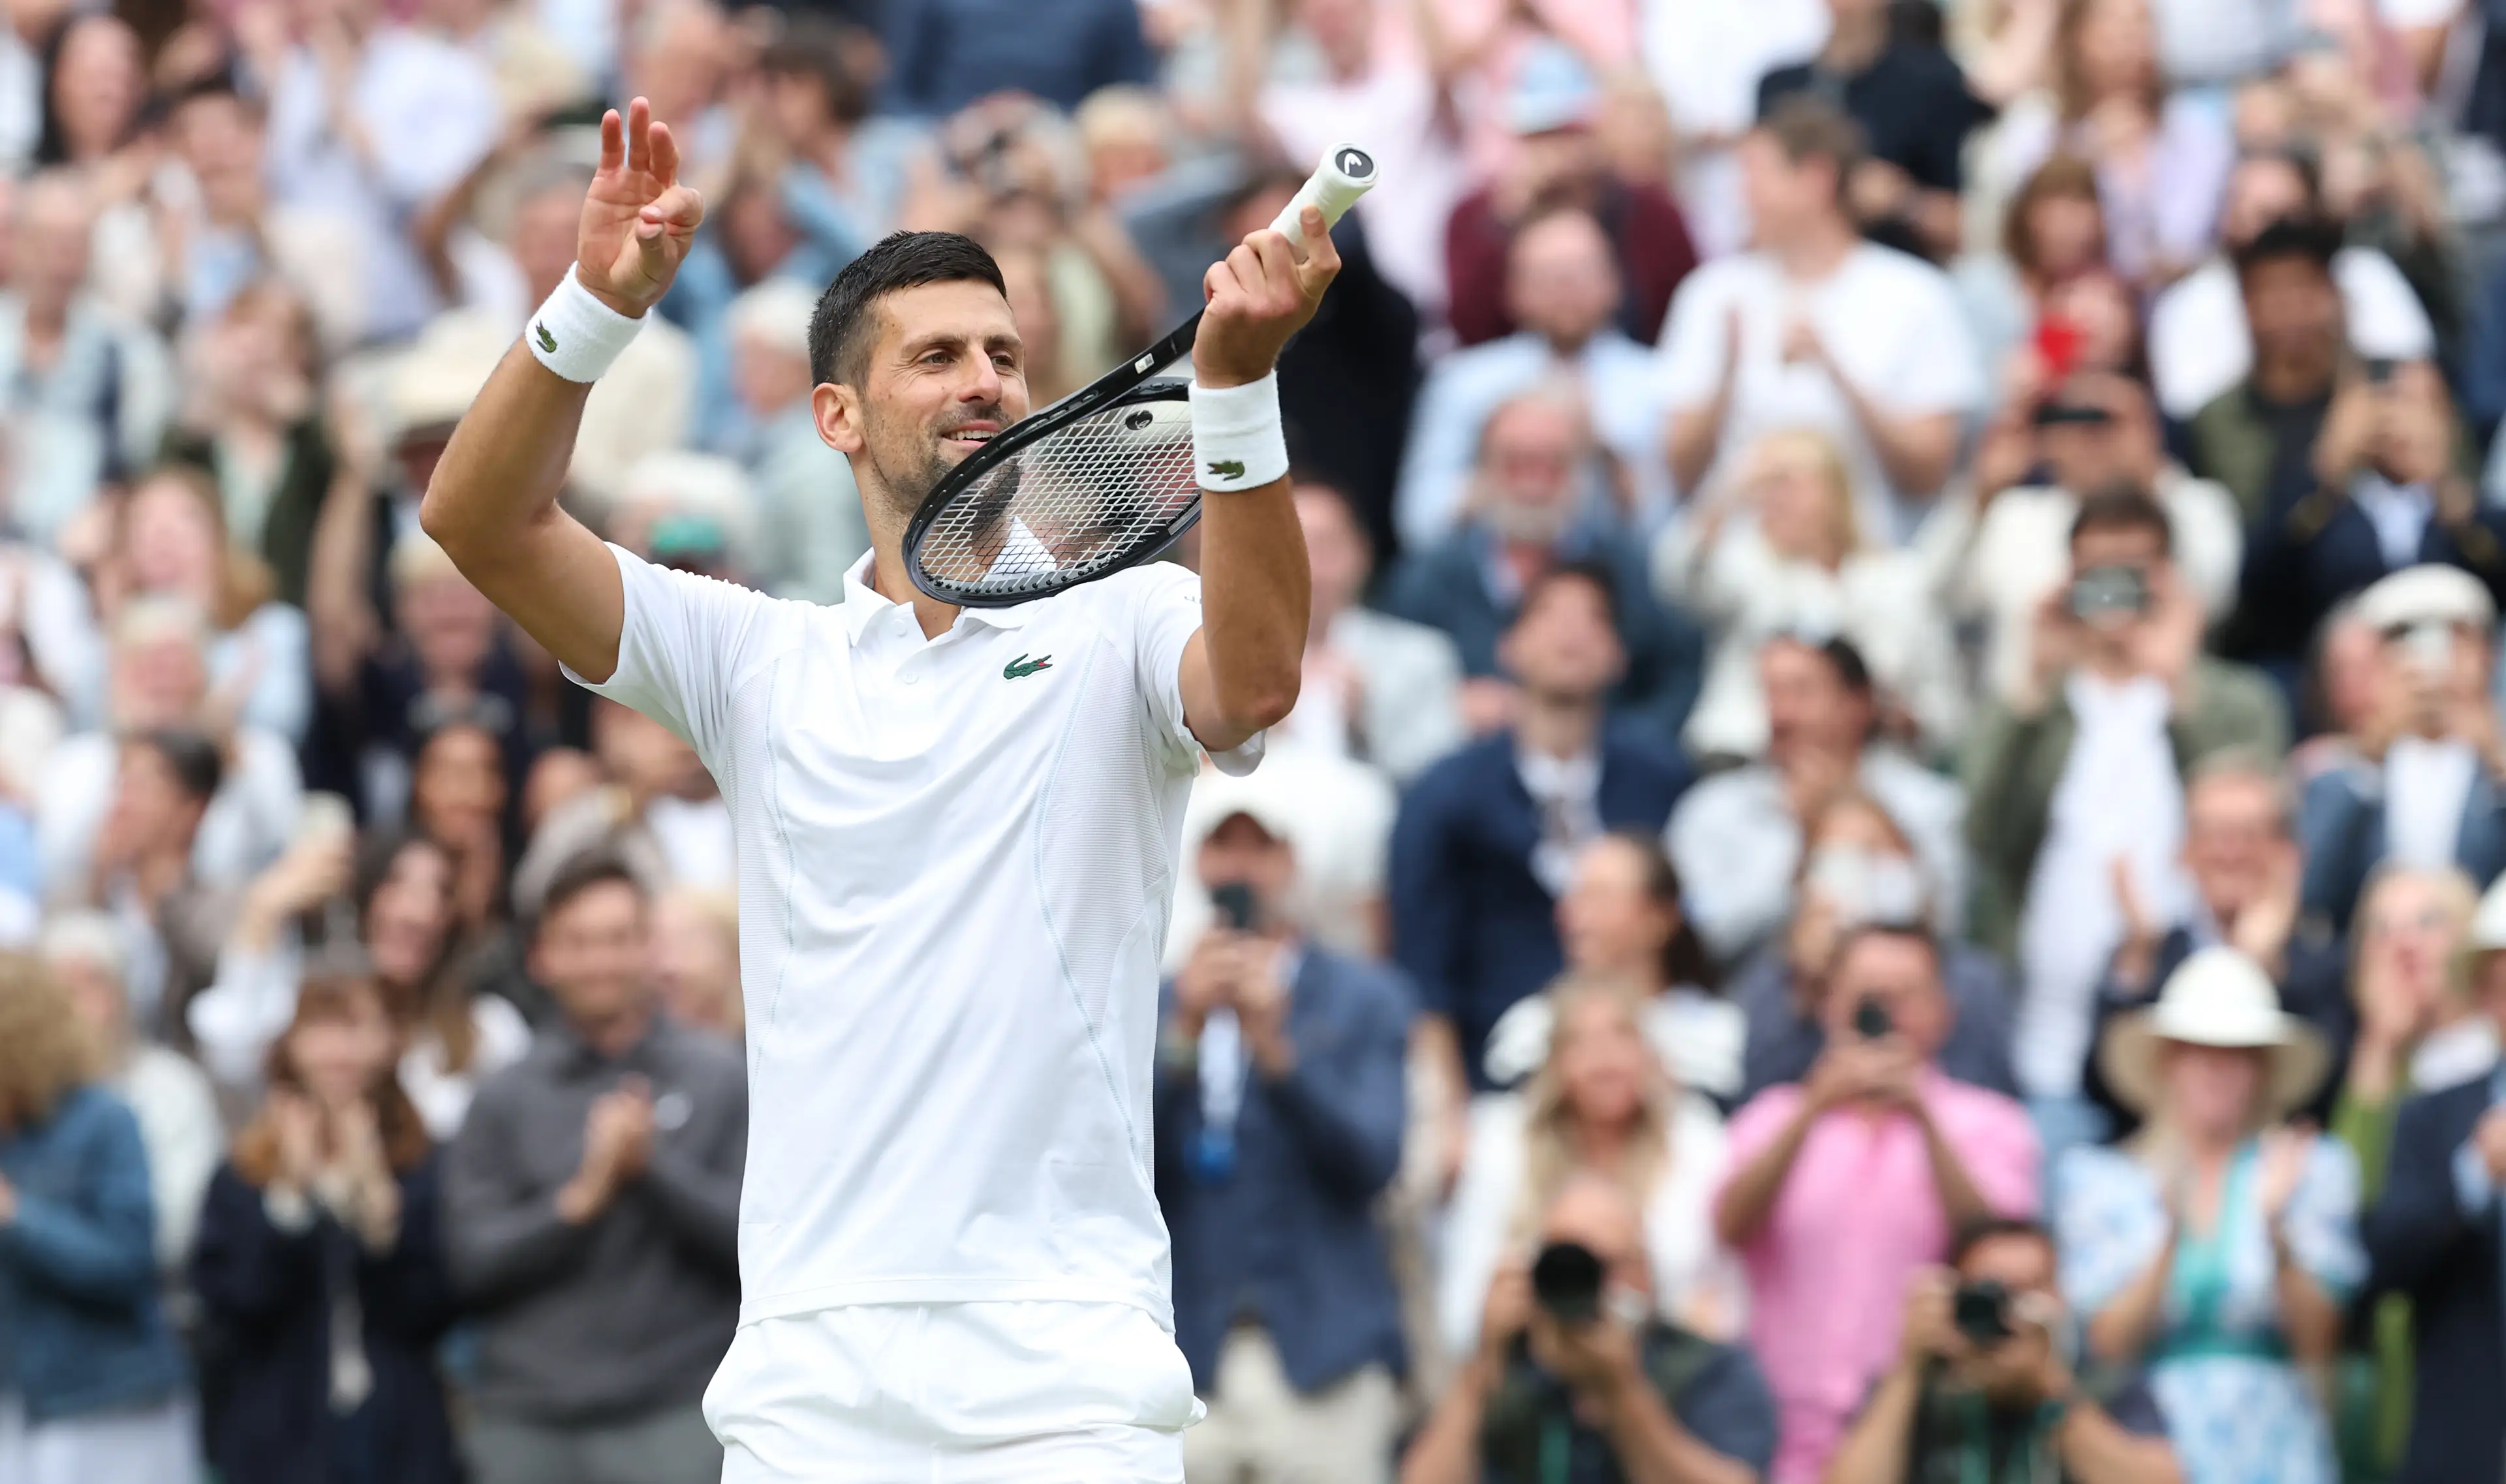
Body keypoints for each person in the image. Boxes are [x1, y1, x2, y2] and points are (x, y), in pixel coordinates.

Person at [419, 91, 1334, 1472]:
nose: (986, 380)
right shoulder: (756, 661)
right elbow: (477, 521)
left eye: (1005, 354)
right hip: (809, 1393)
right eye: (938, 355)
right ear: (835, 416)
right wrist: (593, 309)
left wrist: (1240, 391)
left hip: (1069, 1380)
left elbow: (1255, 682)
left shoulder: (1126, 619)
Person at [1961, 486, 2285, 1156]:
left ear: (2170, 579)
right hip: (2045, 1051)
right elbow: (1981, 836)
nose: (2112, 592)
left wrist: (2179, 683)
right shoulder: (2035, 704)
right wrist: (2032, 681)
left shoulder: (2232, 701)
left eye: (2132, 572)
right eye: (2094, 571)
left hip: (2197, 1048)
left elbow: (2256, 829)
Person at [442, 858, 745, 1484]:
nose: (600, 962)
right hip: (527, 1420)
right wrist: (576, 1203)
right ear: (541, 956)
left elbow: (756, 1243)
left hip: (678, 1410)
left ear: (650, 946)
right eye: (578, 942)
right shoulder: (501, 1096)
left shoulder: (721, 1077)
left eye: (617, 939)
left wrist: (652, 1168)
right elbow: (467, 1263)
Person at [1390, 564, 1692, 1174]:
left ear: (1620, 654)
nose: (1571, 634)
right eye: (1550, 615)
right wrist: (1449, 1112)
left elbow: (1689, 932)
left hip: (1646, 1080)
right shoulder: (1446, 794)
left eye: (1593, 619)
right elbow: (1423, 971)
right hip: (1494, 1086)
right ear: (1509, 645)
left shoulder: (1662, 780)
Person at [1716, 924, 2041, 1483]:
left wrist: (1922, 1117)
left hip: (1923, 1432)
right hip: (1774, 1431)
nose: (1886, 1013)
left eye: (1905, 994)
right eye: (1868, 994)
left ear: (1944, 1011)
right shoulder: (1771, 1116)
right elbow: (1728, 1226)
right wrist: (1813, 1108)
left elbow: (1997, 1251)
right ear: (1829, 1004)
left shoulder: (1992, 1125)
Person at [1154, 778, 1410, 1484]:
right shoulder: (1161, 998)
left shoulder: (1362, 997)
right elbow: (1112, 1163)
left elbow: (1374, 1159)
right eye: (1222, 848)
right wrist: (1183, 1037)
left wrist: (1278, 1054)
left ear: (1293, 862)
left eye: (1260, 849)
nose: (1240, 869)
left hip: (1323, 1357)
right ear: (1198, 864)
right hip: (1186, 1355)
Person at [2058, 948, 2360, 1484]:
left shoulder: (2311, 1168)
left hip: (2278, 1446)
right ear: (2167, 1063)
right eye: (2199, 1052)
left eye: (2238, 1054)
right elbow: (2106, 1344)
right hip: (2150, 1442)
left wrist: (2276, 1233)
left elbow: (2321, 1341)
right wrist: (2171, 1237)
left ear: (2264, 1070)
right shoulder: (2103, 1179)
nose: (2218, 1070)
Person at [1656, 96, 1982, 541]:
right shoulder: (1710, 293)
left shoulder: (1916, 296)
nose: (1742, 194)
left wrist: (1835, 370)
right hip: (1732, 561)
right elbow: (1678, 471)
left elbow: (1927, 474)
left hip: (1870, 561)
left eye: (1755, 174)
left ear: (1815, 180)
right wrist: (1727, 372)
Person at [191, 975, 459, 1484]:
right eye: (320, 1028)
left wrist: (381, 1219)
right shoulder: (244, 1173)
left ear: (390, 1040)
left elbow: (433, 1308)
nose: (339, 1051)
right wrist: (291, 1203)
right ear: (290, 1044)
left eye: (355, 1028)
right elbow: (235, 1307)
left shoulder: (423, 1162)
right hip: (279, 1434)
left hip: (398, 1434)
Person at [1444, 976, 1747, 1367]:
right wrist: (1499, 1317)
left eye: (1621, 1035)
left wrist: (1682, 1329)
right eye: (1581, 1042)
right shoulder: (1504, 1145)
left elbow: (1729, 1295)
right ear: (1554, 1061)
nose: (1605, 1058)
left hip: (1666, 1368)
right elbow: (1461, 1310)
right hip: (1535, 1368)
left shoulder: (1697, 1142)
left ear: (1649, 1053)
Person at [1401, 1173, 1778, 1484]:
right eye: (1569, 1262)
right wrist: (1484, 1365)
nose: (1589, 1284)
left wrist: (1621, 1392)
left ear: (1646, 1272)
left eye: (1606, 1264)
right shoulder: (1509, 1370)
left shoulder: (1709, 1369)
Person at [1382, 386, 1700, 739]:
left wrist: (1609, 740)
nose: (1534, 484)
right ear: (1482, 471)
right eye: (1517, 464)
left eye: (1552, 465)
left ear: (1580, 473)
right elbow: (1390, 684)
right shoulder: (1431, 576)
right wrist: (1446, 707)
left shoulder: (1628, 571)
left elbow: (1680, 676)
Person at [189, 828, 533, 1140]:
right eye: (395, 885)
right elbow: (229, 1057)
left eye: (440, 893)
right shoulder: (304, 1017)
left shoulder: (491, 1031)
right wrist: (261, 912)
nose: (419, 913)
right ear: (362, 900)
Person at [0, 953, 195, 1483]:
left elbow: (129, 1262)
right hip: (15, 1411)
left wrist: (16, 1214)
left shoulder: (103, 1120)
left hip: (104, 1404)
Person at [1938, 371, 2243, 709]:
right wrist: (1981, 494)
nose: (2088, 437)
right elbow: (1942, 599)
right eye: (2070, 418)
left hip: (2165, 710)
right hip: (2037, 716)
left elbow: (2215, 592)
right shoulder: (2014, 516)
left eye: (2104, 421)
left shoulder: (2195, 505)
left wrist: (2151, 466)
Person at [1657, 429, 1964, 764]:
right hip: (1753, 759)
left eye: (1789, 485)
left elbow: (1943, 703)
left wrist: (1903, 720)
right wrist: (1728, 491)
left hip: (1874, 761)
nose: (1775, 501)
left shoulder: (1898, 579)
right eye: (1765, 489)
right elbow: (1680, 578)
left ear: (1834, 490)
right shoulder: (1745, 567)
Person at [2084, 754, 2349, 1137]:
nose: (2230, 852)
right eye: (2212, 833)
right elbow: (2100, 1091)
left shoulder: (2323, 963)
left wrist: (2259, 966)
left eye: (2250, 834)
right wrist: (2137, 959)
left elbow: (2323, 1097)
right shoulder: (2148, 953)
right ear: (2183, 851)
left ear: (2290, 854)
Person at [1669, 634, 1966, 965]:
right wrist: (1802, 852)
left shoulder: (1929, 803)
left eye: (1802, 692)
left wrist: (1873, 820)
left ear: (1858, 703)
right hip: (1755, 988)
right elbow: (1696, 936)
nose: (1782, 715)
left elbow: (1951, 927)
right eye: (1771, 693)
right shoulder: (1712, 809)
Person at [2334, 864, 2494, 1477]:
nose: (2403, 945)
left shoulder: (2491, 1067)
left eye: (2427, 922)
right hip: (2394, 1385)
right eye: (2380, 929)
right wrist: (2378, 1046)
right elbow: (2350, 1218)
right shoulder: (2375, 1075)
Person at [1399, 206, 1679, 551]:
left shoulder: (1659, 382)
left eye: (1580, 273)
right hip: (1488, 569)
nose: (1565, 290)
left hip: (1616, 571)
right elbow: (1419, 518)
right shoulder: (1464, 383)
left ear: (1615, 282)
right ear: (1512, 290)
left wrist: (1604, 453)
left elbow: (1668, 528)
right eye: (1547, 276)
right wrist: (1510, 475)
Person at [1824, 1218, 2186, 1484]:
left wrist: (2050, 1394)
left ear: (2060, 1296)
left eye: (2030, 1290)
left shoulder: (2100, 1380)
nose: (2010, 1311)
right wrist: (1907, 1370)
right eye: (1992, 1292)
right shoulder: (1919, 1383)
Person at [1729, 794, 2020, 1104]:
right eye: (1842, 864)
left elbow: (1994, 1098)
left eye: (1876, 854)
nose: (1863, 876)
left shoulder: (1970, 978)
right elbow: (1754, 1098)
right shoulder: (1778, 976)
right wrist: (1807, 985)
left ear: (1908, 864)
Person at [2236, 361, 2506, 688]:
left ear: (2447, 418)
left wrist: (2446, 489)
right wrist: (2328, 464)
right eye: (2381, 401)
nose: (2394, 419)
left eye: (2413, 403)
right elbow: (2258, 586)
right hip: (2341, 687)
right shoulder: (2318, 504)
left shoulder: (2468, 514)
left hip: (2455, 680)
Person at [1441, 41, 1700, 352]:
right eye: (1541, 135)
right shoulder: (1476, 216)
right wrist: (1505, 222)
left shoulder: (1652, 214)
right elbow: (1471, 331)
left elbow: (1685, 315)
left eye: (1571, 133)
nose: (1558, 151)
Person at [2154, 150, 2437, 424]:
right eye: (2260, 214)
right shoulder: (2189, 304)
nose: (2274, 231)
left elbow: (2413, 375)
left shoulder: (2365, 274)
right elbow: (2192, 417)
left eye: (2288, 214)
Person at [1980, 0, 2233, 288]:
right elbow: (2020, 228)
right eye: (2113, 24)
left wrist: (2137, 182)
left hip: (2163, 295)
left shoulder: (2192, 131)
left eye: (2140, 23)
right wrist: (2087, 157)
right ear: (2077, 35)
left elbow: (2184, 243)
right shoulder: (2034, 126)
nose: (2130, 37)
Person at [1481, 832, 1742, 1105]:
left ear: (1660, 918)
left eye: (1599, 896)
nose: (1572, 915)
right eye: (1573, 897)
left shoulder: (1717, 1033)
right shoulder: (1529, 1029)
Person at [43, 912, 221, 1285]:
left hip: (144, 1294)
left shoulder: (171, 1086)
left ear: (123, 995)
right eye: (58, 990)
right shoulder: (20, 1098)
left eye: (91, 985)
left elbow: (174, 1231)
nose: (74, 1008)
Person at [1756, 0, 1992, 262]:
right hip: (1792, 269)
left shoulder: (1933, 85)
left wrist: (1902, 201)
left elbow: (1972, 227)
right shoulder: (1780, 87)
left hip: (1897, 269)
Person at [1273, 480, 1463, 784]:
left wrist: (1365, 719)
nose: (1310, 565)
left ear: (1361, 553)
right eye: (1291, 546)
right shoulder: (1227, 660)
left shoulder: (1421, 657)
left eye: (1325, 547)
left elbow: (1441, 780)